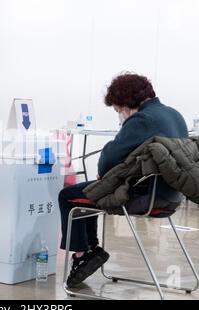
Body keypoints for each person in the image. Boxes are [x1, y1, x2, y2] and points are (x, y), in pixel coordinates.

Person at [59, 72, 188, 288]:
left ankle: (84, 252)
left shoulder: (142, 119)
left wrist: (106, 166)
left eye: (118, 110)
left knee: (68, 195)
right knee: (94, 191)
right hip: (172, 195)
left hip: (145, 197)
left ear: (126, 103)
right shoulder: (175, 115)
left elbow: (109, 158)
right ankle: (90, 249)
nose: (119, 115)